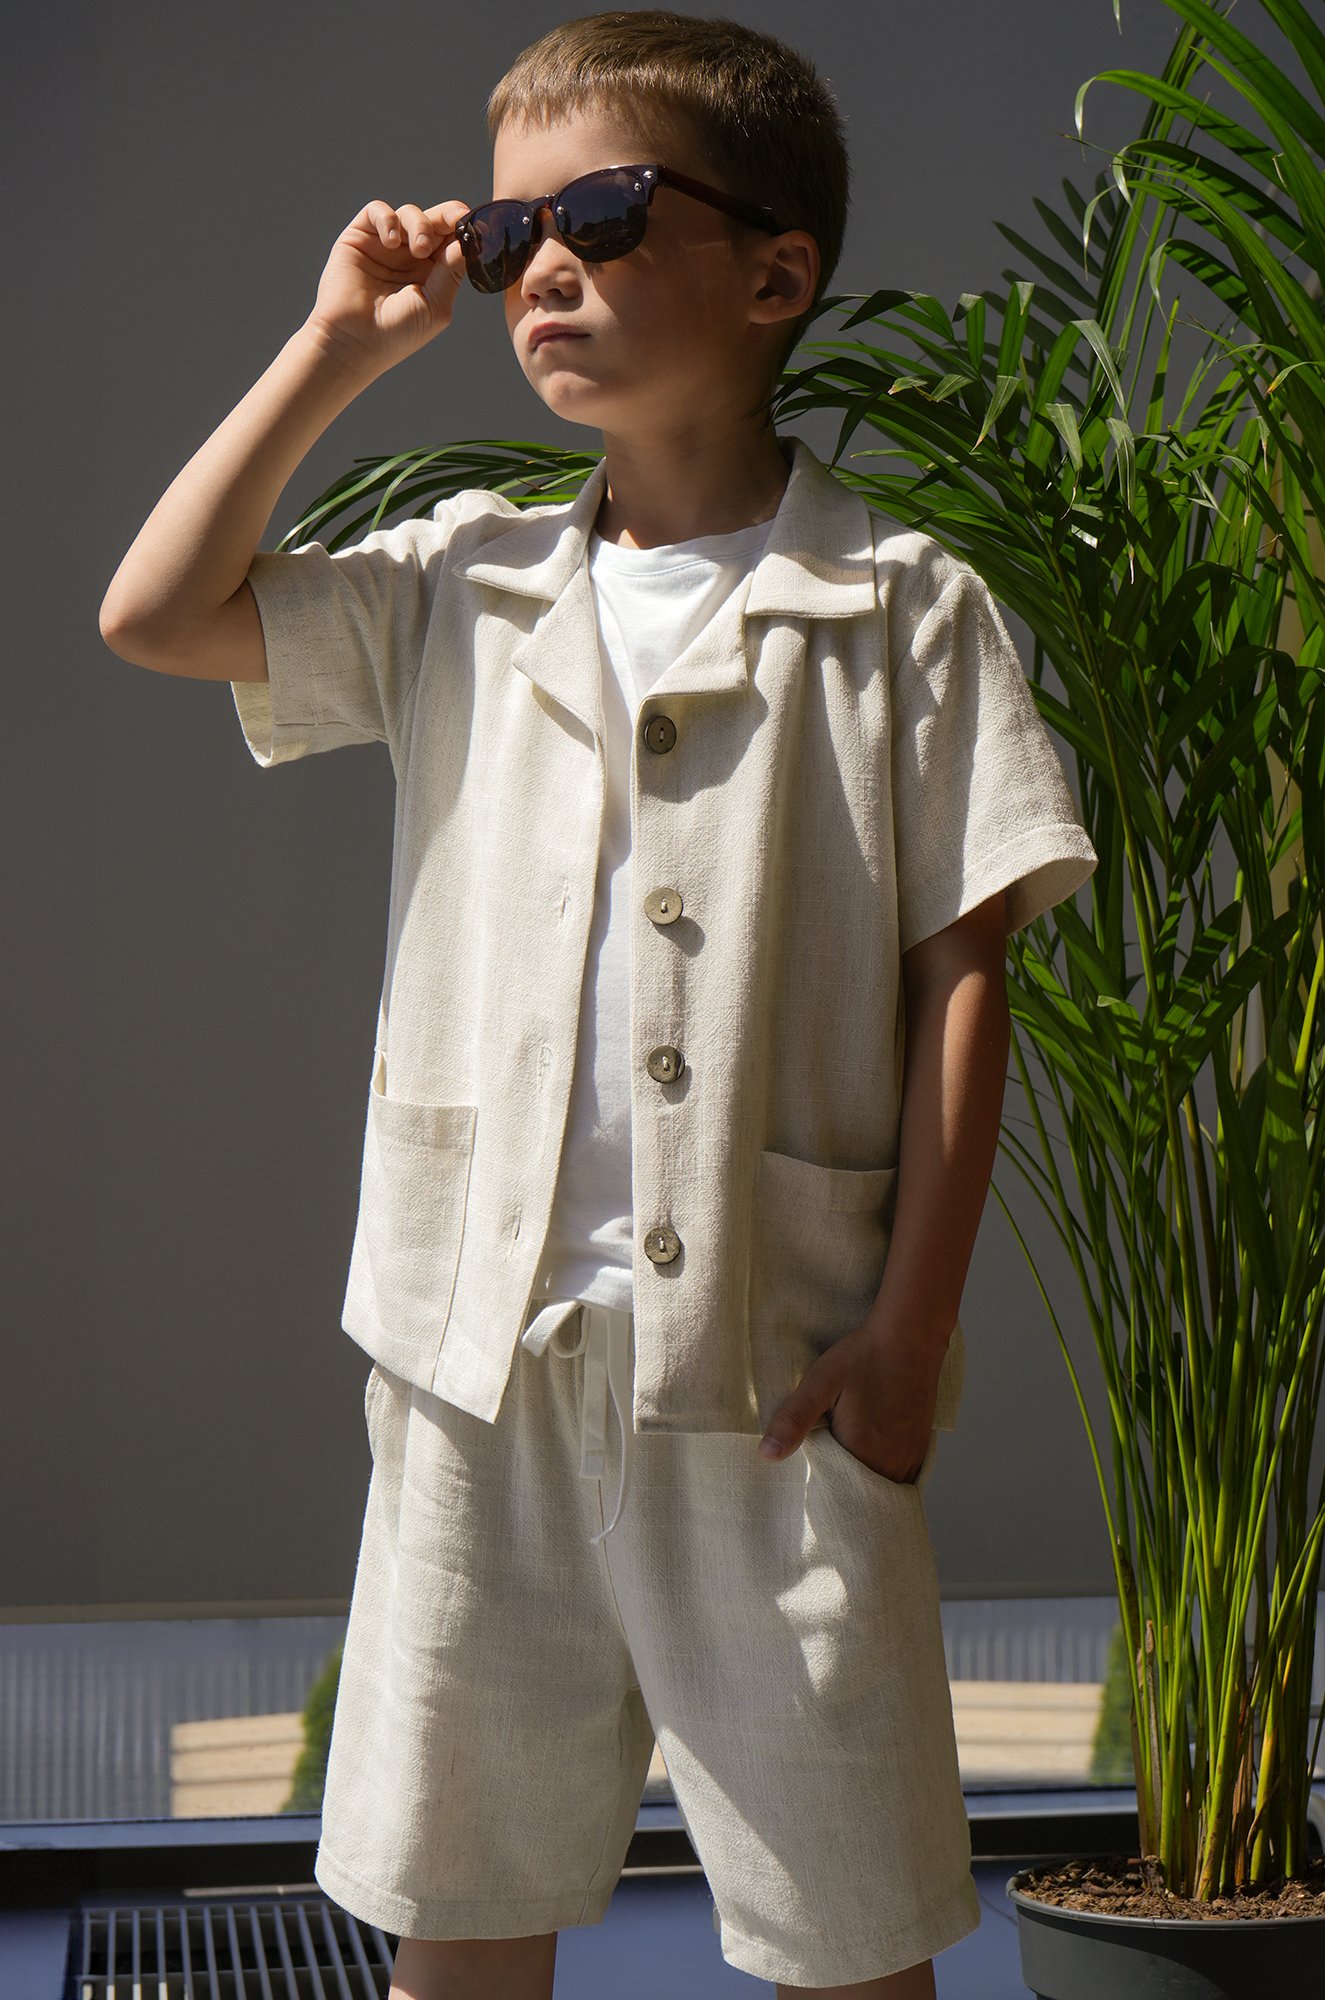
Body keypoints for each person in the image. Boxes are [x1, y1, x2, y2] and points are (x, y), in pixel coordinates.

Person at [99, 11, 1097, 1996]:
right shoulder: (457, 582)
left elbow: (962, 972)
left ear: (774, 273)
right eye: (504, 233)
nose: (536, 264)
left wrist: (910, 1333)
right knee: (460, 1913)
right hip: (473, 1374)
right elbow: (156, 611)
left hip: (781, 1379)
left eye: (605, 213)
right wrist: (340, 349)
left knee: (849, 1927)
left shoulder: (903, 606)